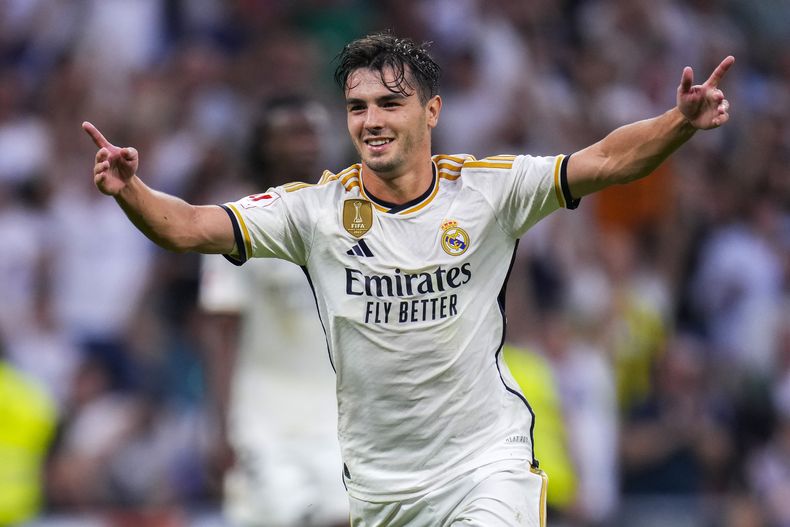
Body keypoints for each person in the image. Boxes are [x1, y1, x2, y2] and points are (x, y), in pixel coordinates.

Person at [82, 32, 733, 527]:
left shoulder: (489, 189)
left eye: (391, 103)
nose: (371, 120)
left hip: (485, 462)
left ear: (431, 111)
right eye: (357, 106)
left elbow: (606, 161)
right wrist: (130, 190)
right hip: (379, 486)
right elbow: (190, 227)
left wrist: (678, 123)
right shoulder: (314, 211)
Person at [198, 96, 349, 527]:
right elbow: (221, 332)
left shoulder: (350, 216)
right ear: (265, 144)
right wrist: (220, 424)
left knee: (346, 517)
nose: (308, 142)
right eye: (294, 132)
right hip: (263, 421)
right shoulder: (233, 224)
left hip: (337, 416)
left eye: (314, 131)